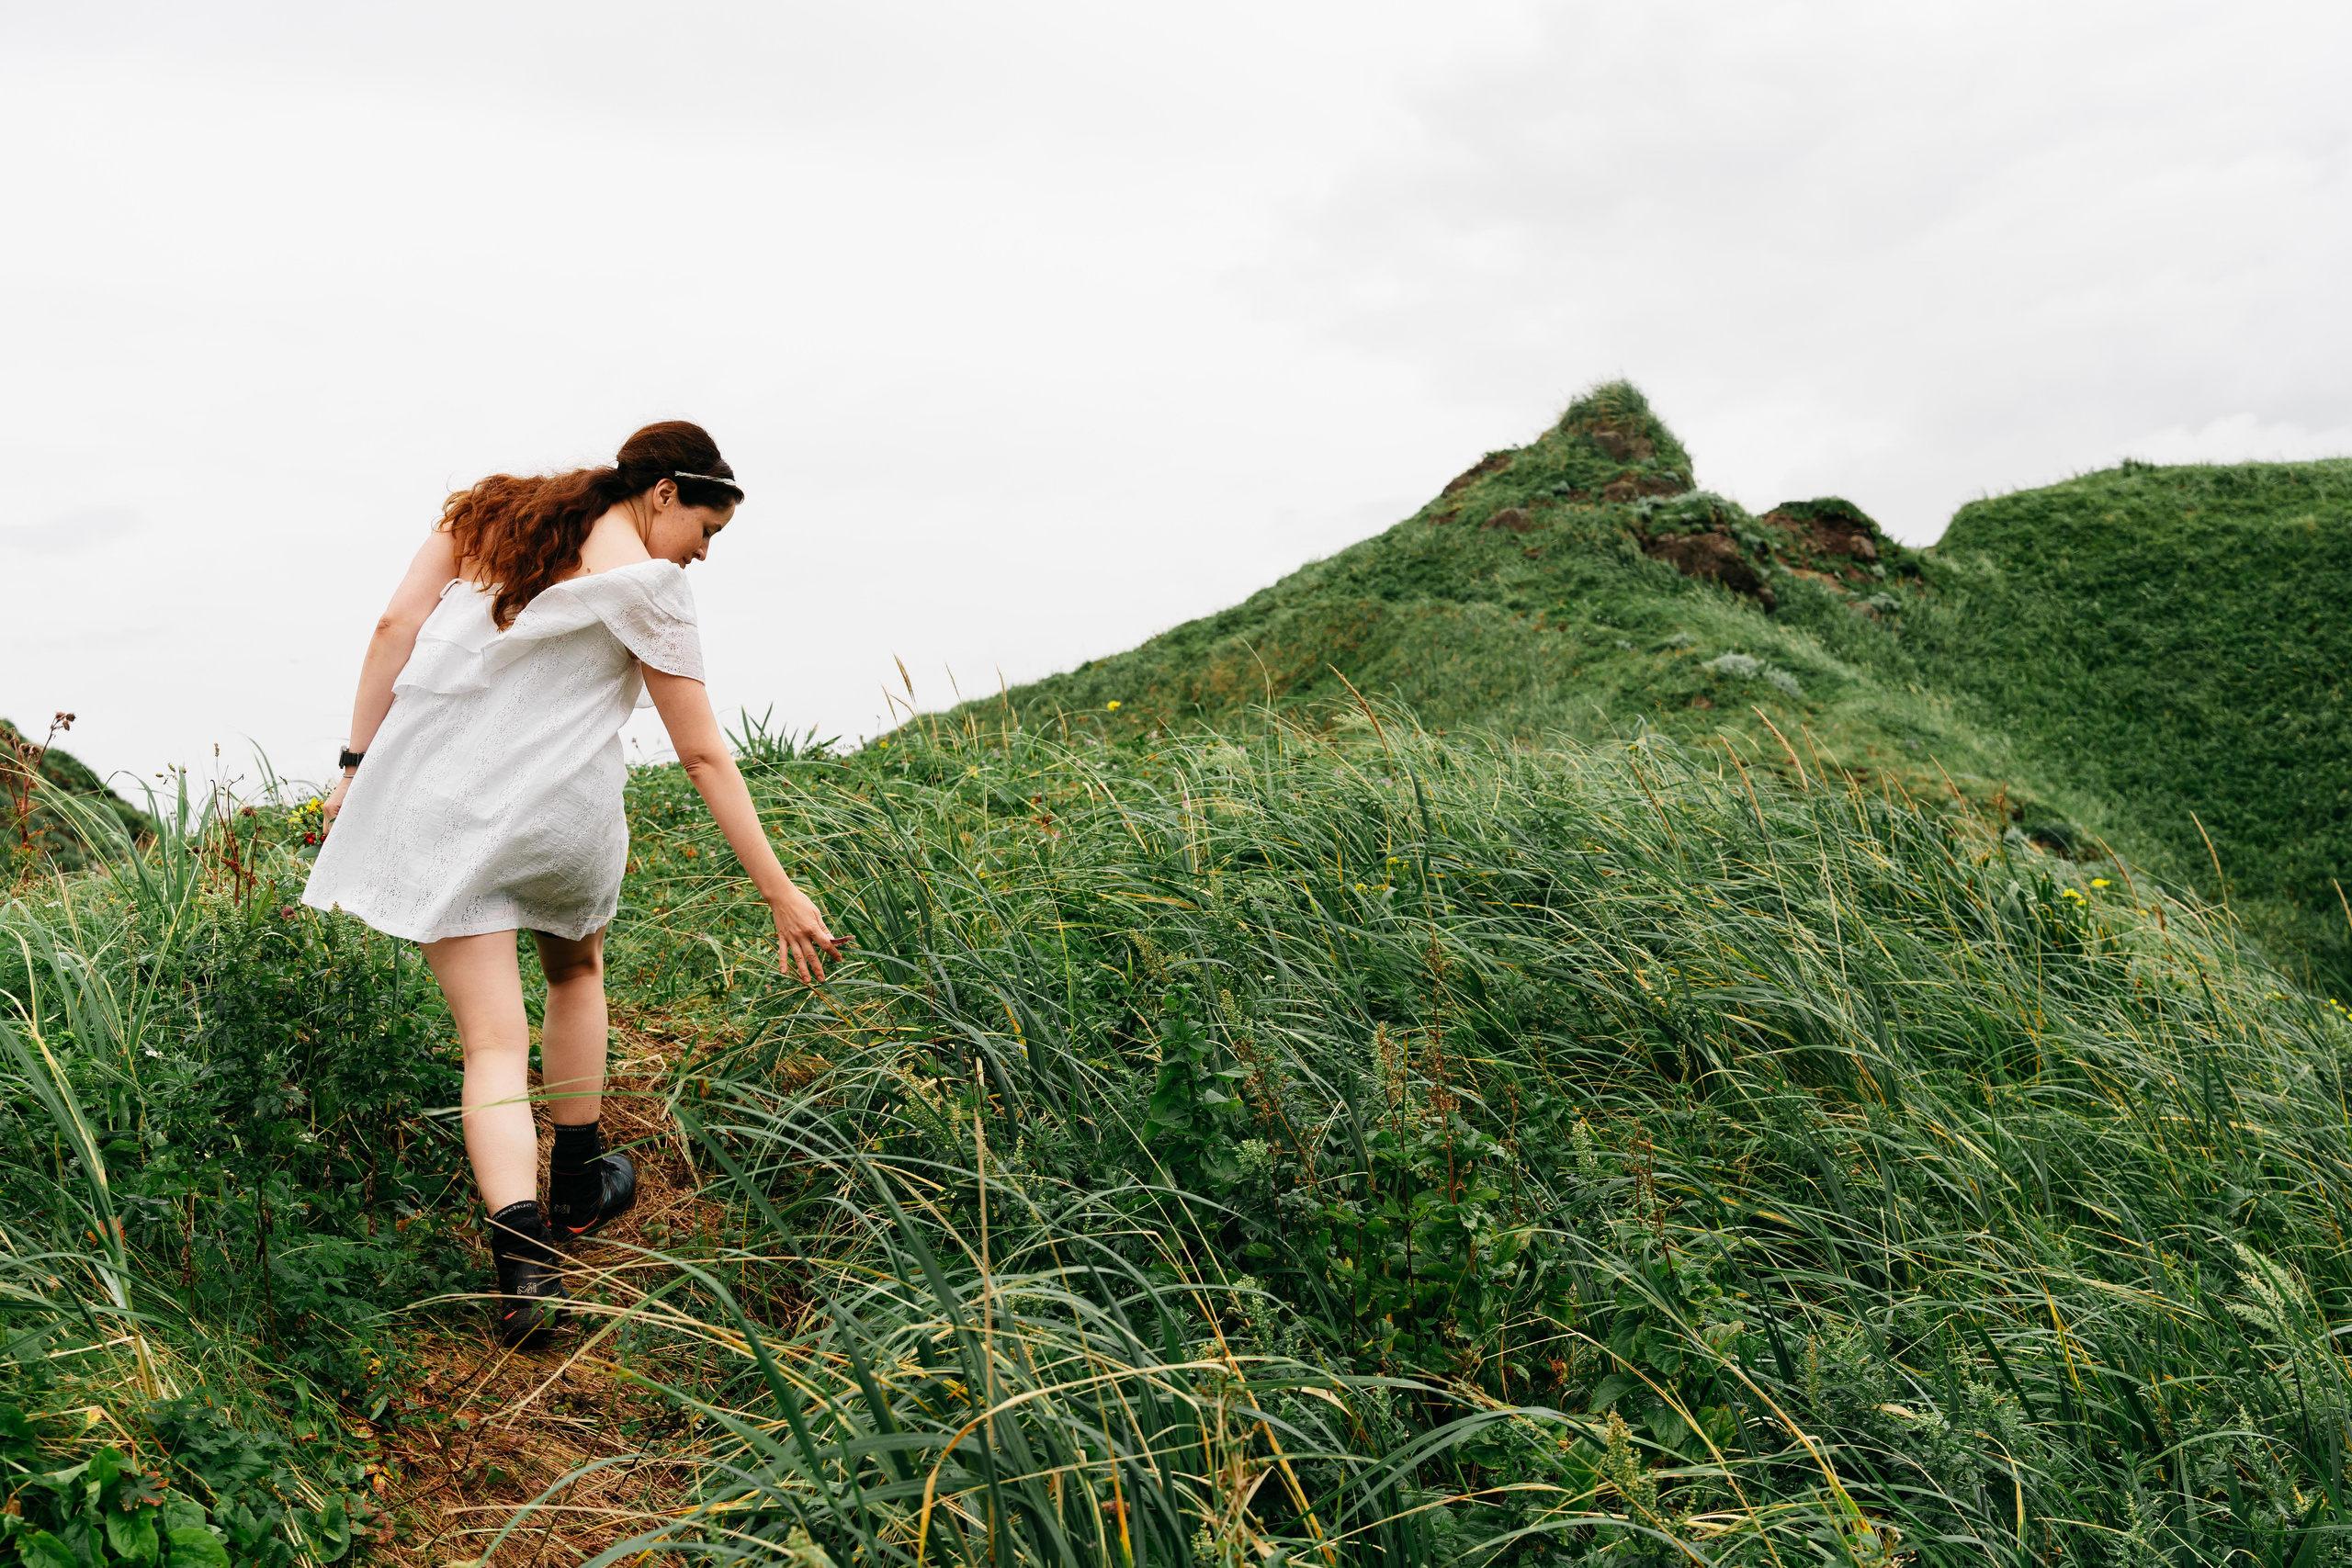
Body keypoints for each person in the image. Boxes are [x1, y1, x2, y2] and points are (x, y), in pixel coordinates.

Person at [302, 421, 842, 1348]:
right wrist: (779, 891)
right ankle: (581, 1188)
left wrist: (354, 764)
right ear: (665, 494)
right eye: (706, 531)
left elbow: (394, 626)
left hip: (446, 813)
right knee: (575, 972)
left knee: (491, 1046)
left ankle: (525, 1273)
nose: (702, 555)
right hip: (561, 821)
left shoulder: (489, 516)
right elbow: (703, 756)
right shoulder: (652, 588)